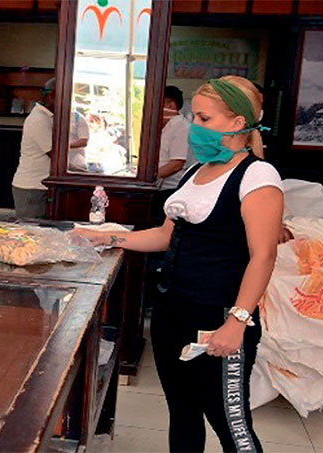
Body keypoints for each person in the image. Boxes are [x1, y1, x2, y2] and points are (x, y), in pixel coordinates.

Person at [74, 75, 283, 452]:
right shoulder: (195, 172)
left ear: (237, 123)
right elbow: (165, 235)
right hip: (173, 313)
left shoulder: (257, 176)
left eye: (204, 119)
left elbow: (264, 255)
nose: (194, 128)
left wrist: (236, 322)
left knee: (230, 422)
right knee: (182, 412)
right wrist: (104, 236)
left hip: (218, 316)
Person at [12, 78, 55, 218]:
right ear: (52, 95)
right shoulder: (39, 119)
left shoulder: (48, 117)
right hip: (32, 187)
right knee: (30, 232)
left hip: (39, 186)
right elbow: (53, 152)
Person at [152, 85, 191, 225]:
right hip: (160, 186)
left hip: (171, 189)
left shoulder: (181, 127)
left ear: (171, 105)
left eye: (158, 104)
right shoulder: (166, 126)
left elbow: (176, 164)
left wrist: (149, 176)